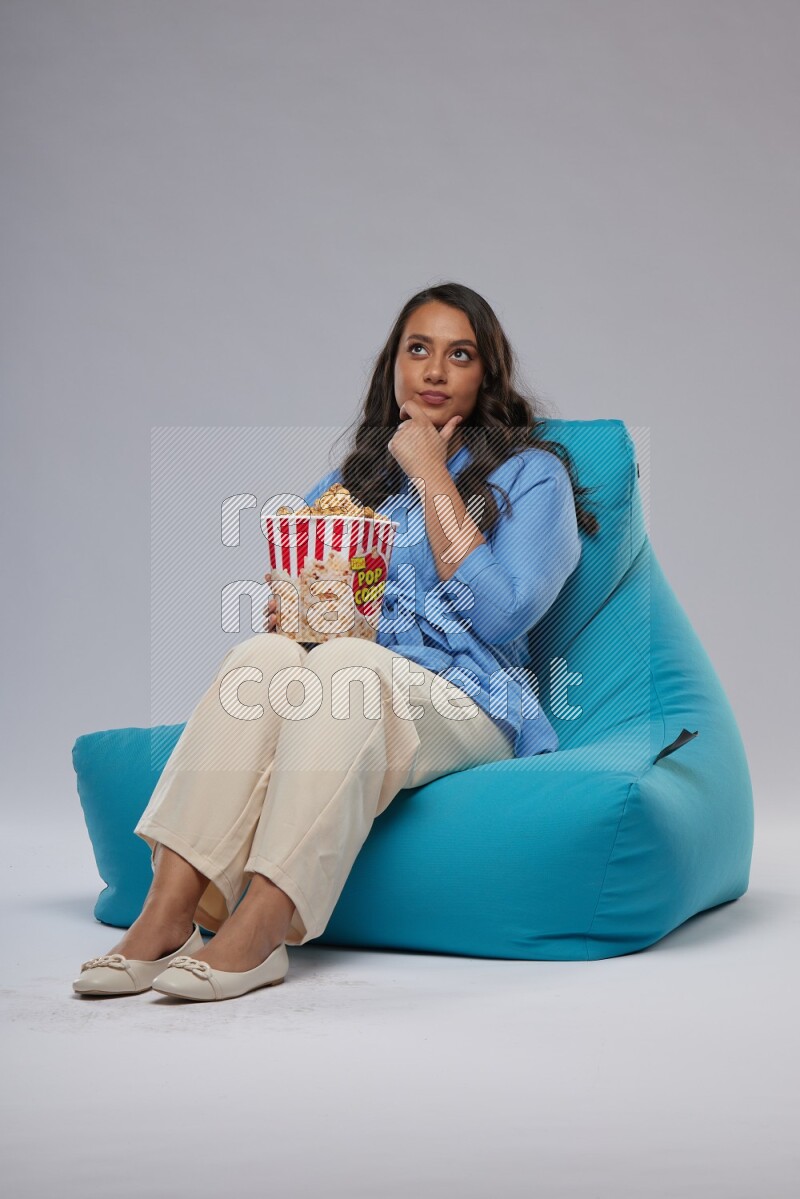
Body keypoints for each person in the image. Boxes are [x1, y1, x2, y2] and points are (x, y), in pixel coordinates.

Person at [72, 281, 597, 1003]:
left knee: (348, 664)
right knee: (263, 658)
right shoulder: (353, 482)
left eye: (460, 354)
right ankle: (167, 910)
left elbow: (504, 612)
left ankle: (262, 924)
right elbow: (316, 607)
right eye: (419, 349)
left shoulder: (533, 475)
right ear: (394, 365)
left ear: (487, 375)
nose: (435, 370)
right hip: (348, 690)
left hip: (472, 702)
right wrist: (294, 614)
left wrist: (432, 474)